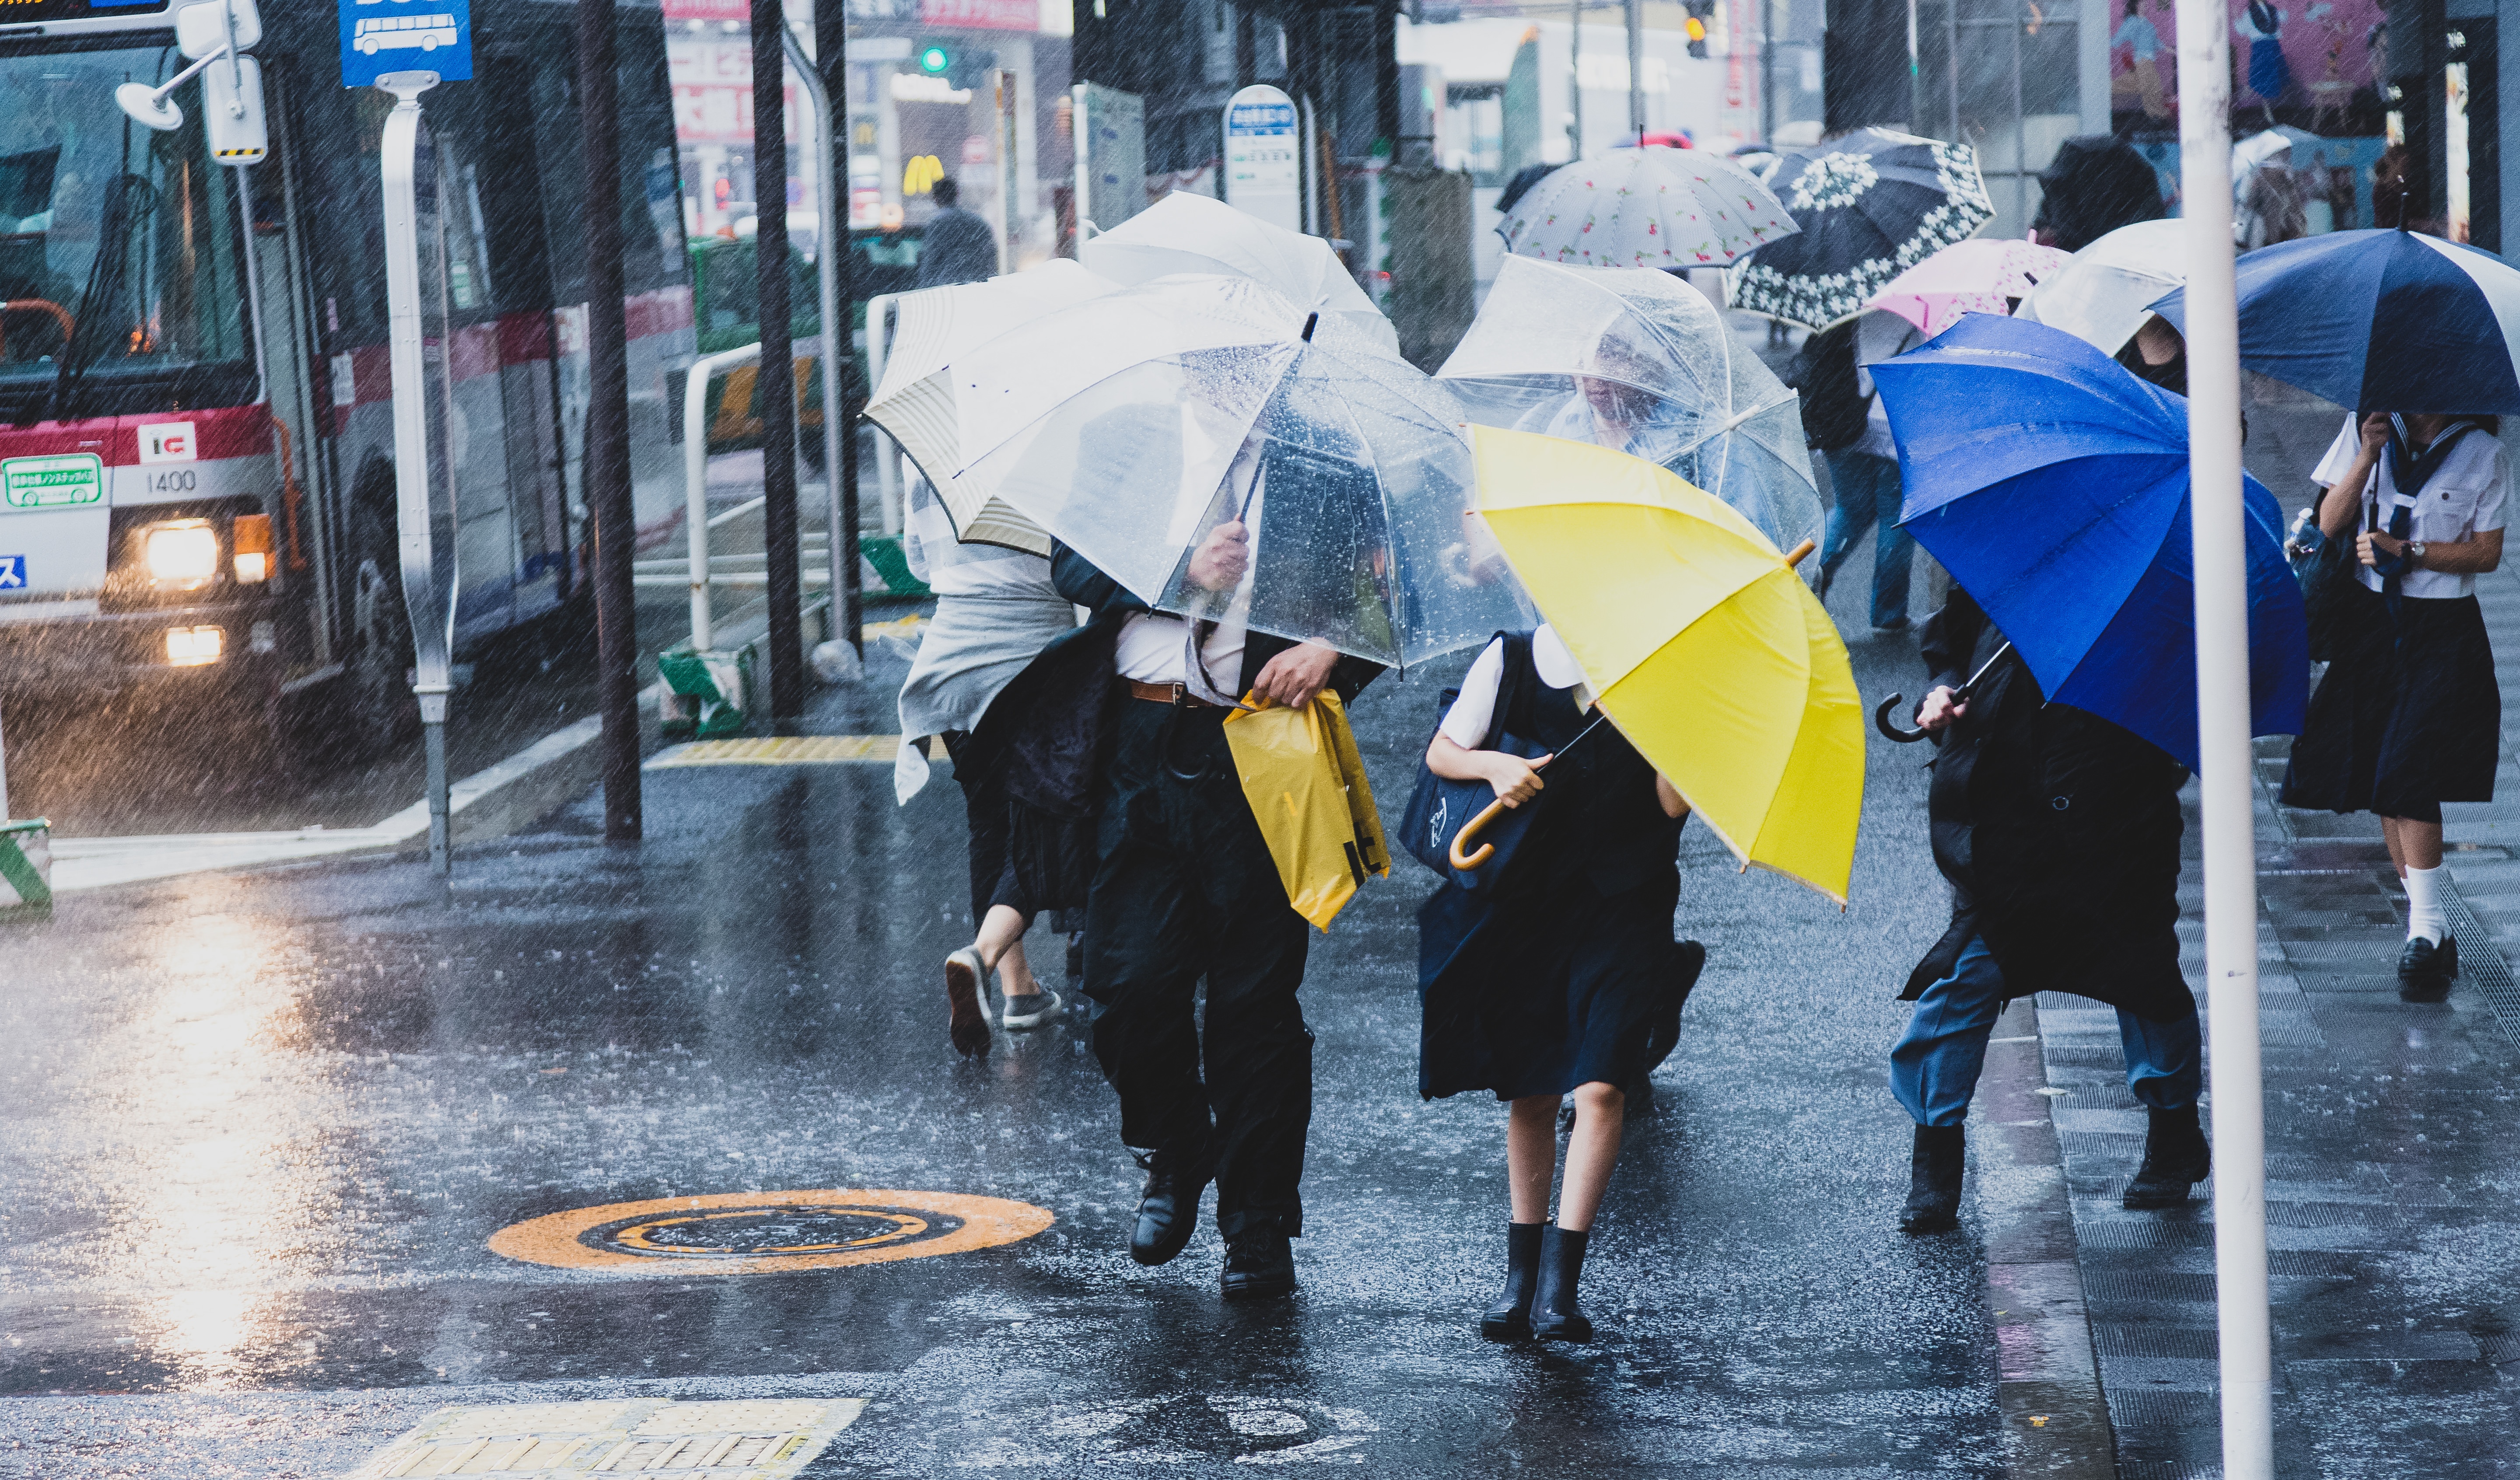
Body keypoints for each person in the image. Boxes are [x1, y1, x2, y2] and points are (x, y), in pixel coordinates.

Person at [1052, 434, 1383, 1300]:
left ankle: (1258, 1224)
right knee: (1127, 984)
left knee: (1255, 1000)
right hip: (1141, 741)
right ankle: (1175, 1146)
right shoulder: (1130, 449)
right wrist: (1179, 569)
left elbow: (1386, 598)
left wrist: (1332, 652)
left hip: (1264, 745)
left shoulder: (1325, 468)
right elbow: (1072, 567)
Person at [1418, 626, 1702, 1343]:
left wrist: (1663, 716)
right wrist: (1494, 766)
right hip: (1528, 902)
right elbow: (1442, 750)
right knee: (1534, 1087)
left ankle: (1560, 1286)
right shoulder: (1513, 656)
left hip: (1625, 904)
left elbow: (1672, 808)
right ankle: (1519, 1275)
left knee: (1601, 1084)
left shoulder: (1666, 672)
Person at [1896, 588, 2209, 1232]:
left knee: (2146, 984)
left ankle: (2175, 1135)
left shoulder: (2163, 593)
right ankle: (1935, 1161)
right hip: (2003, 837)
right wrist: (1945, 691)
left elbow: (2187, 716)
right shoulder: (2022, 561)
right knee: (1961, 982)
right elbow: (1951, 642)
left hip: (2115, 838)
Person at [2281, 412, 2508, 999]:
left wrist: (2411, 550)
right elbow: (2329, 524)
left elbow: (2486, 554)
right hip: (2370, 624)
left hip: (2442, 629)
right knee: (2381, 775)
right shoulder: (2369, 428)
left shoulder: (2483, 452)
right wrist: (2365, 458)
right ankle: (2430, 924)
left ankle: (2424, 930)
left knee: (2410, 766)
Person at [892, 473, 1084, 1053]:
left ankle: (1017, 989)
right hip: (1031, 654)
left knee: (988, 821)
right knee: (1050, 823)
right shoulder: (1049, 442)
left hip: (950, 658)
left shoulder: (933, 445)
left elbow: (918, 560)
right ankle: (982, 955)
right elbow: (1084, 572)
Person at [1814, 311, 1923, 632]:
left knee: (1850, 509)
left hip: (1844, 417)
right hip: (1893, 421)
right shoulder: (1918, 304)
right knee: (1897, 519)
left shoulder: (1848, 302)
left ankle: (1805, 585)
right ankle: (1889, 614)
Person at [915, 178, 998, 289]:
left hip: (948, 288)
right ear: (957, 194)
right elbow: (990, 255)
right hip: (979, 286)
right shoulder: (978, 222)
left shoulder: (938, 224)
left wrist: (924, 287)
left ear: (935, 198)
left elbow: (930, 261)